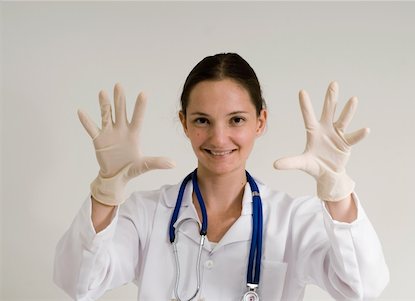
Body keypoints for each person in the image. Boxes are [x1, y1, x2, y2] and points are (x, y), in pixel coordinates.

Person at [53, 53, 389, 301]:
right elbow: (79, 283)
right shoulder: (147, 213)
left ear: (261, 121)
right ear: (183, 122)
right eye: (202, 120)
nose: (218, 138)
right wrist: (106, 190)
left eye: (237, 120)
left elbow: (363, 288)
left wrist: (337, 191)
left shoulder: (292, 220)